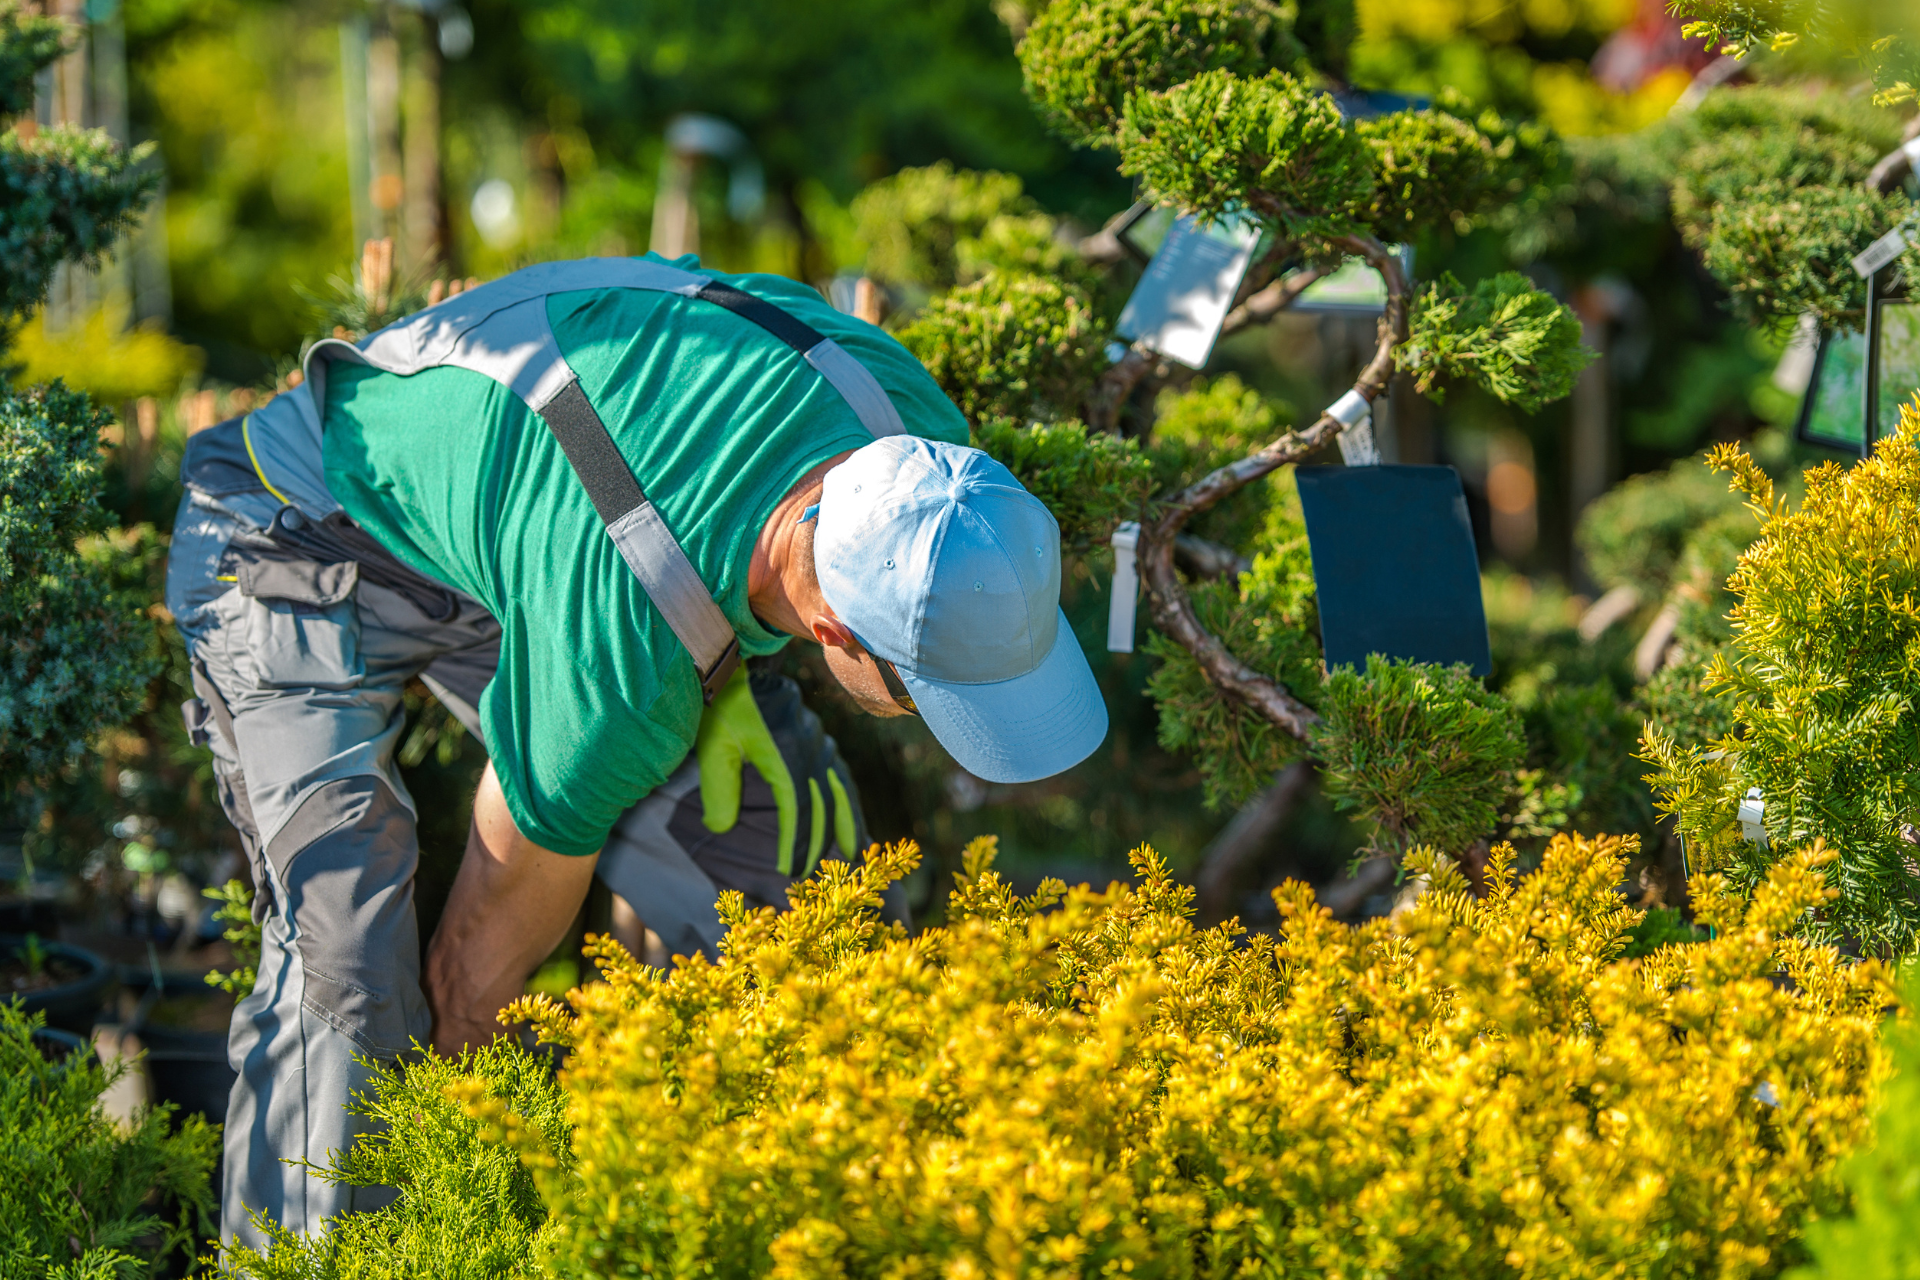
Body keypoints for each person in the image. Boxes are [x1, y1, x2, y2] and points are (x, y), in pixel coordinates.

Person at [163, 253, 1109, 1246]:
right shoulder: (624, 643)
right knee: (345, 953)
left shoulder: (923, 446)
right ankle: (321, 1260)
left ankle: (749, 1228)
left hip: (534, 534)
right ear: (832, 631)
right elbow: (482, 950)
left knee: (781, 858)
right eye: (930, 689)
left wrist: (731, 661)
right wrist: (457, 1164)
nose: (936, 715)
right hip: (292, 530)